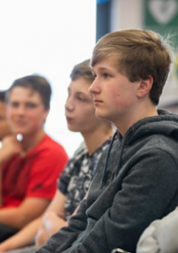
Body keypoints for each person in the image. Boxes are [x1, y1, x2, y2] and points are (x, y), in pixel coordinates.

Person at [34, 29, 178, 253]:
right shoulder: (120, 142)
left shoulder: (158, 157)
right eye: (94, 75)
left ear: (143, 85)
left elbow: (105, 244)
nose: (93, 88)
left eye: (106, 75)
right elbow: (80, 222)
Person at [0, 59, 114, 253]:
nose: (68, 105)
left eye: (81, 98)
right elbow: (48, 217)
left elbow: (77, 229)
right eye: (69, 95)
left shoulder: (109, 156)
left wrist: (49, 230)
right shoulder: (79, 157)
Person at [0, 75, 68, 243]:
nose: (20, 112)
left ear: (46, 111)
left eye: (30, 106)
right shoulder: (11, 148)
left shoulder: (51, 153)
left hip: (24, 235)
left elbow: (23, 218)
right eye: (15, 105)